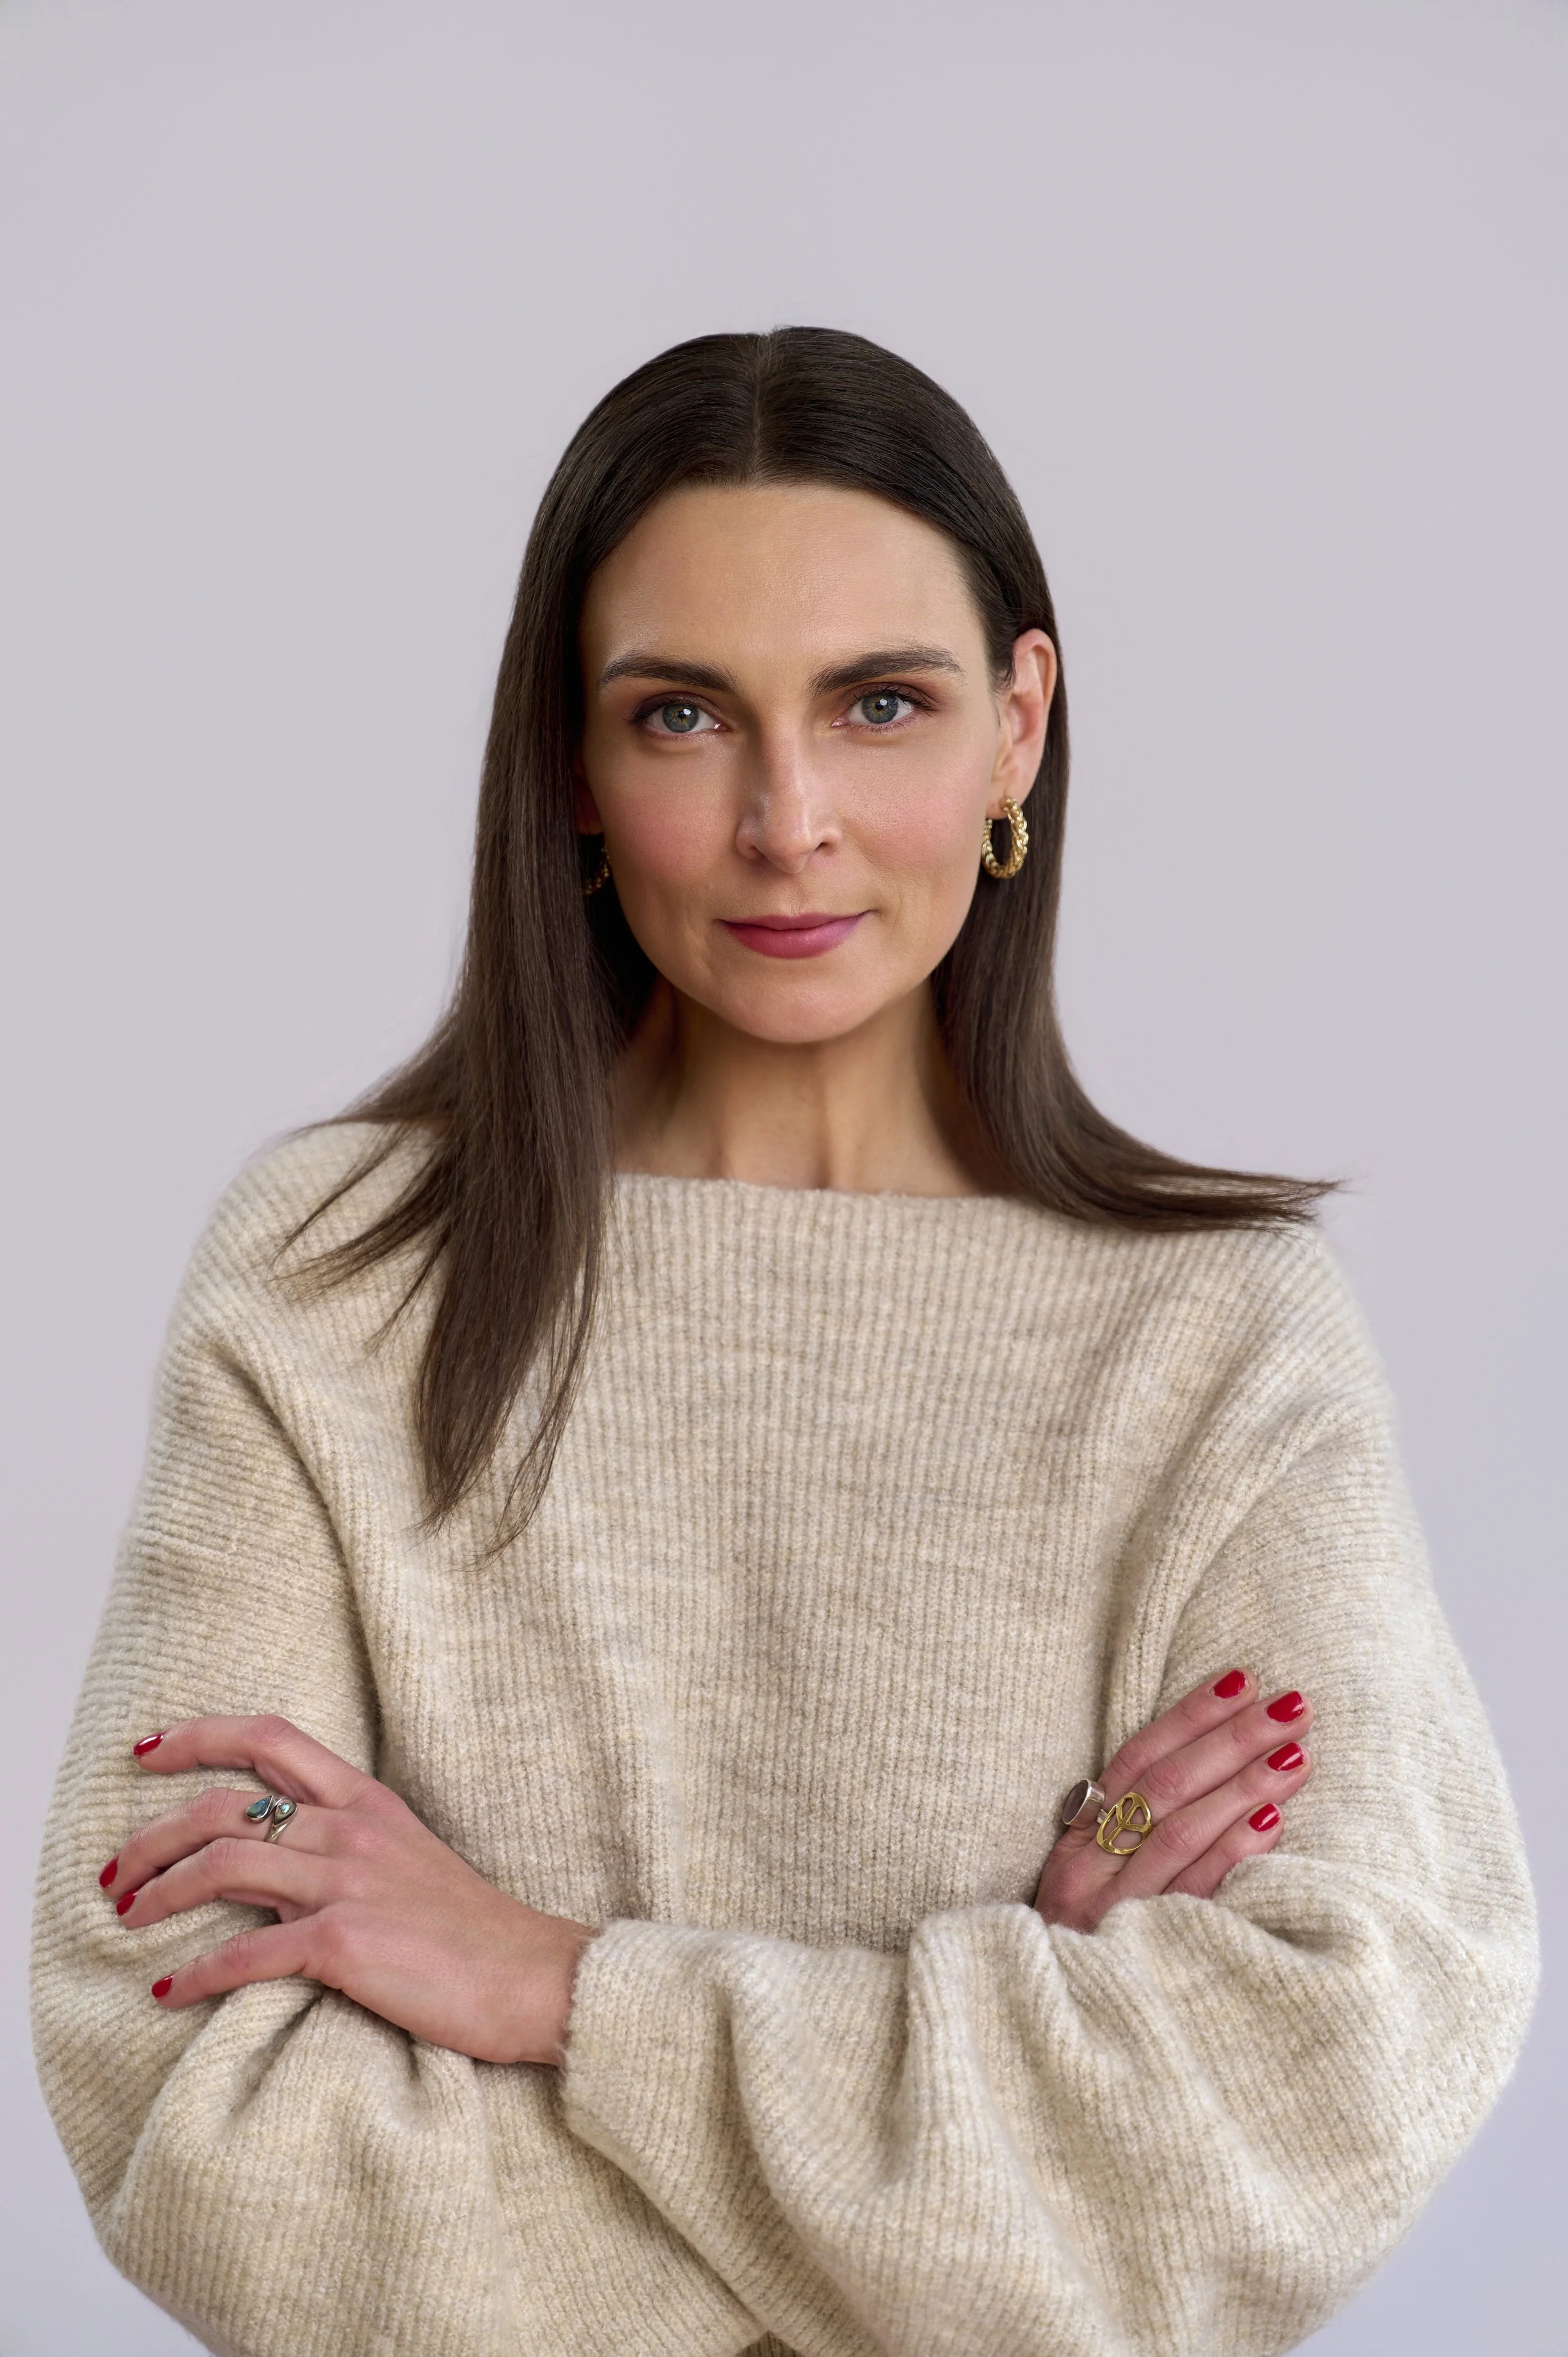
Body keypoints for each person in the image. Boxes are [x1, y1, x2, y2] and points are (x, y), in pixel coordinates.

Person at [32, 327, 1535, 2357]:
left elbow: (1327, 2073)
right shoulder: (332, 1280)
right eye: (680, 716)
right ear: (570, 759)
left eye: (880, 703)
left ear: (1017, 726)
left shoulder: (1216, 1342)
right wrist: (972, 2112)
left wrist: (557, 1985)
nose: (787, 820)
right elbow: (196, 2124)